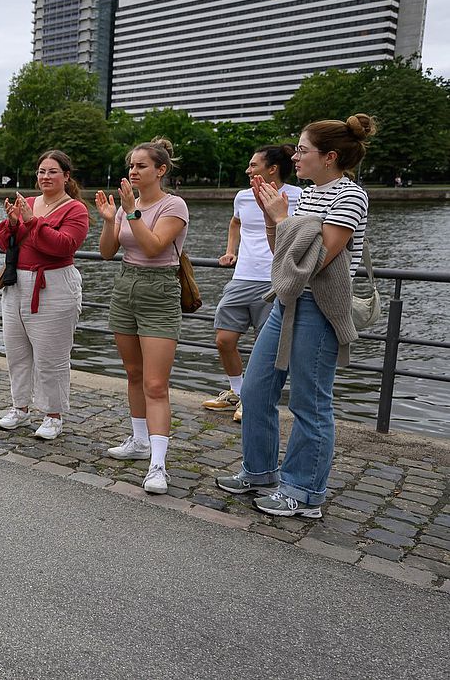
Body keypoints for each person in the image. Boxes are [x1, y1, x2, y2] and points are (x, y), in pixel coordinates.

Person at [216, 116, 373, 519]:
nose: (295, 156)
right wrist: (273, 218)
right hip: (286, 303)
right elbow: (282, 255)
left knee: (310, 403)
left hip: (318, 310)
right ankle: (260, 472)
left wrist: (282, 219)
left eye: (303, 150)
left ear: (330, 156)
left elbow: (319, 258)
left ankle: (304, 492)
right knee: (254, 391)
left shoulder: (351, 197)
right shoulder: (305, 196)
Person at [95, 138, 188, 495]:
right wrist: (108, 221)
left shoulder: (173, 205)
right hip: (125, 287)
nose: (133, 171)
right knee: (133, 373)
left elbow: (153, 246)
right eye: (131, 166)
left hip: (160, 291)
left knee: (155, 384)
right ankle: (139, 441)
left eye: (141, 166)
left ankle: (158, 465)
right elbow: (106, 252)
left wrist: (131, 211)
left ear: (160, 170)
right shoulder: (124, 205)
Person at [0, 151, 90, 440]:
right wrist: (11, 223)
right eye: (41, 171)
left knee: (51, 355)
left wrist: (31, 222)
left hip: (53, 285)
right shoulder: (29, 203)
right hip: (17, 284)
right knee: (17, 351)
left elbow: (63, 246)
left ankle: (53, 415)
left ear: (66, 176)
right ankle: (19, 408)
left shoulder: (76, 210)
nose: (45, 177)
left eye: (52, 172)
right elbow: (2, 243)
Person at [202, 145, 303, 422]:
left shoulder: (298, 196)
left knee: (265, 347)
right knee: (224, 339)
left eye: (253, 165)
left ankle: (253, 400)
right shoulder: (243, 197)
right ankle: (238, 391)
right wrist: (230, 250)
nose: (248, 170)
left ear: (272, 169)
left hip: (274, 281)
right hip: (242, 277)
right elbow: (235, 223)